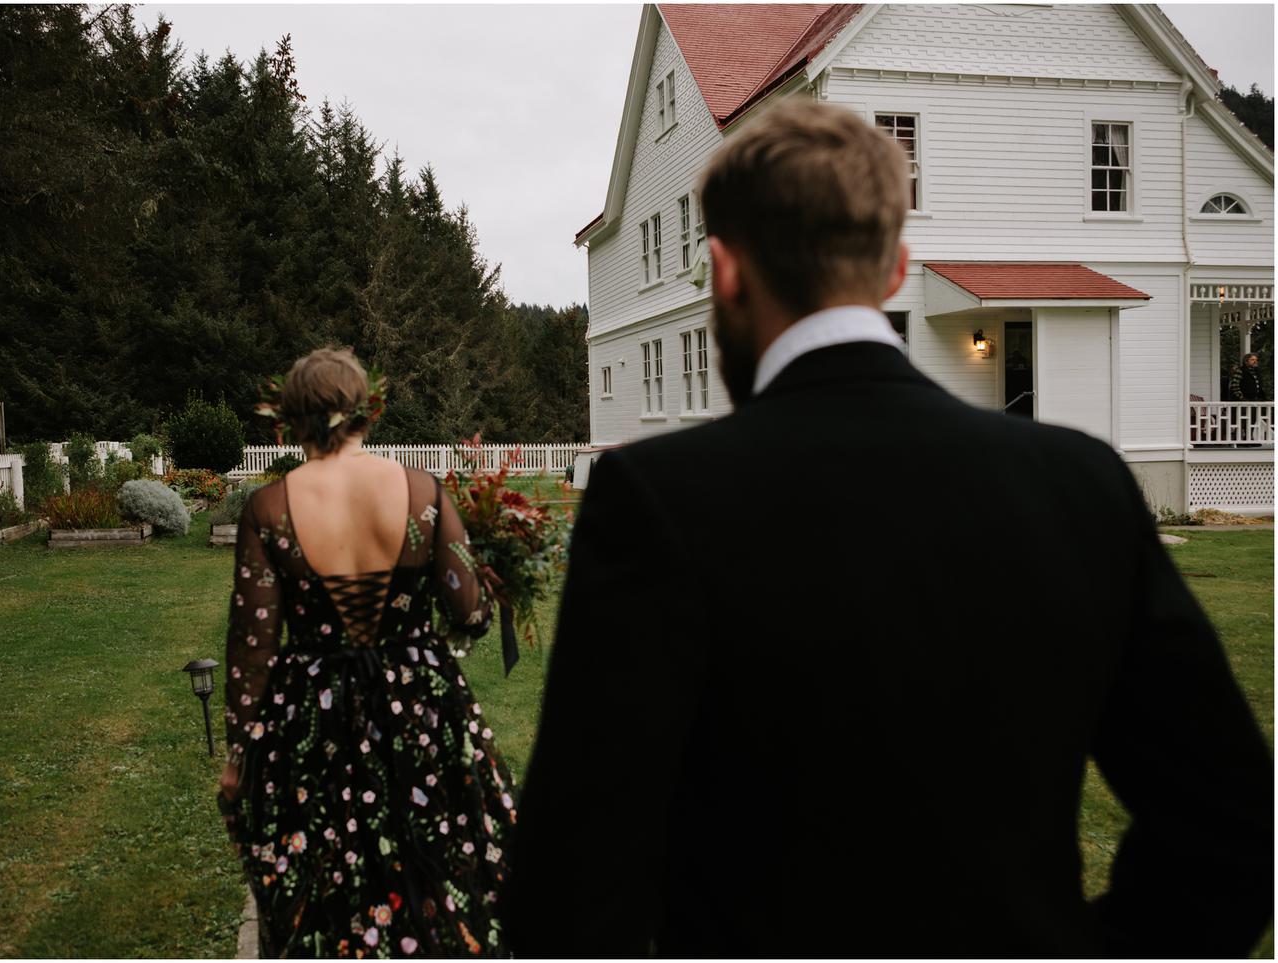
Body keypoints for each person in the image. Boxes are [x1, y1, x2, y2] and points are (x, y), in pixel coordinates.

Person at [502, 98, 1272, 957]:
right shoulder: (1081, 483)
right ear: (895, 265)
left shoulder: (655, 499)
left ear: (725, 270)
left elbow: (568, 896)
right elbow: (1232, 823)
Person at [219, 348, 515, 958]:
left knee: (326, 882)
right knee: (437, 864)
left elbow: (254, 651)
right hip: (420, 713)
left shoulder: (268, 508)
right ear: (363, 410)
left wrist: (240, 755)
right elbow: (470, 613)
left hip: (312, 722)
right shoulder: (422, 490)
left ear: (290, 418)